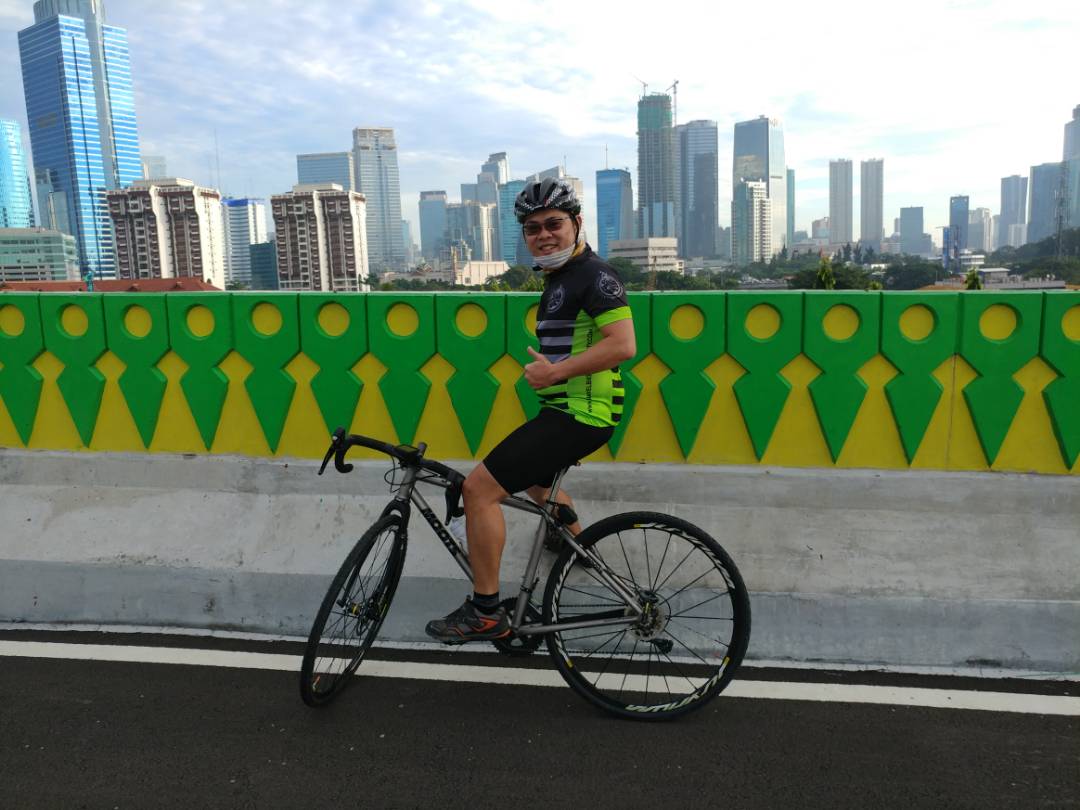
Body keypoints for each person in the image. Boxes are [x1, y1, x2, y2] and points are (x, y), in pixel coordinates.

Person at [425, 178, 636, 644]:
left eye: (554, 224)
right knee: (538, 485)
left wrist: (556, 373)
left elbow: (623, 345)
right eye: (533, 228)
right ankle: (577, 545)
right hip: (570, 413)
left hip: (582, 415)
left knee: (479, 490)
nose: (544, 235)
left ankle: (485, 611)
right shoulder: (561, 278)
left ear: (577, 223)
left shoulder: (595, 276)